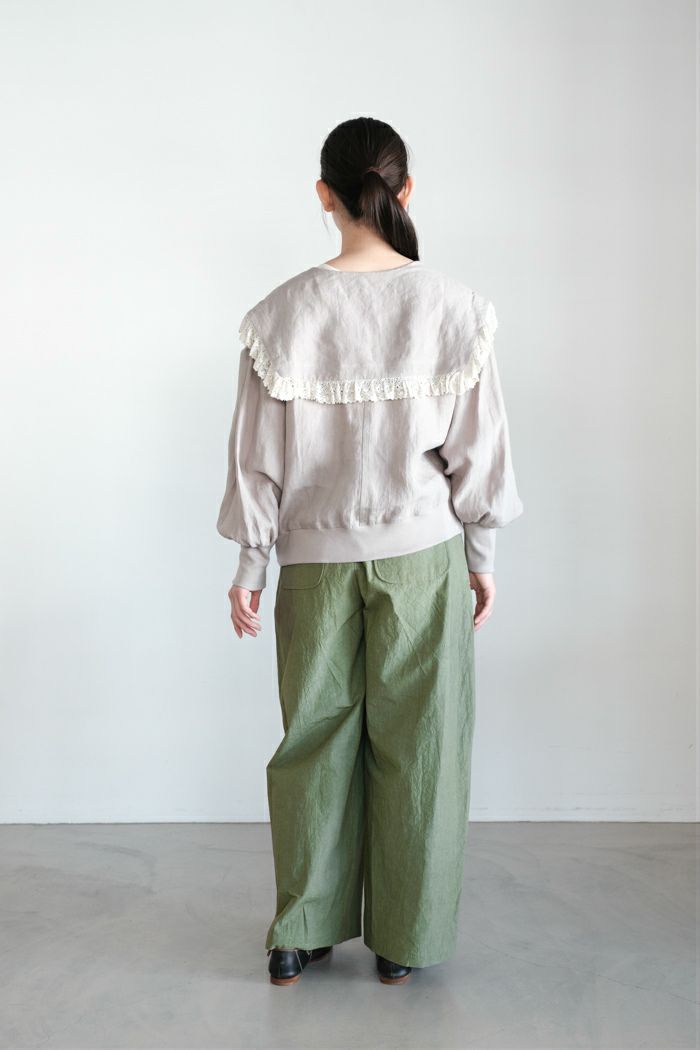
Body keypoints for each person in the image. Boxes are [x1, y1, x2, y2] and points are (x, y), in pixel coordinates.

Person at [216, 116, 524, 987]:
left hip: (312, 564)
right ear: (404, 190)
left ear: (324, 194)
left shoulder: (279, 316)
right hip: (422, 557)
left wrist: (250, 567)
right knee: (421, 742)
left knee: (312, 739)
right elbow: (480, 452)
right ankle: (403, 939)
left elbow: (255, 460)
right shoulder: (455, 309)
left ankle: (300, 932)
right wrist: (482, 556)